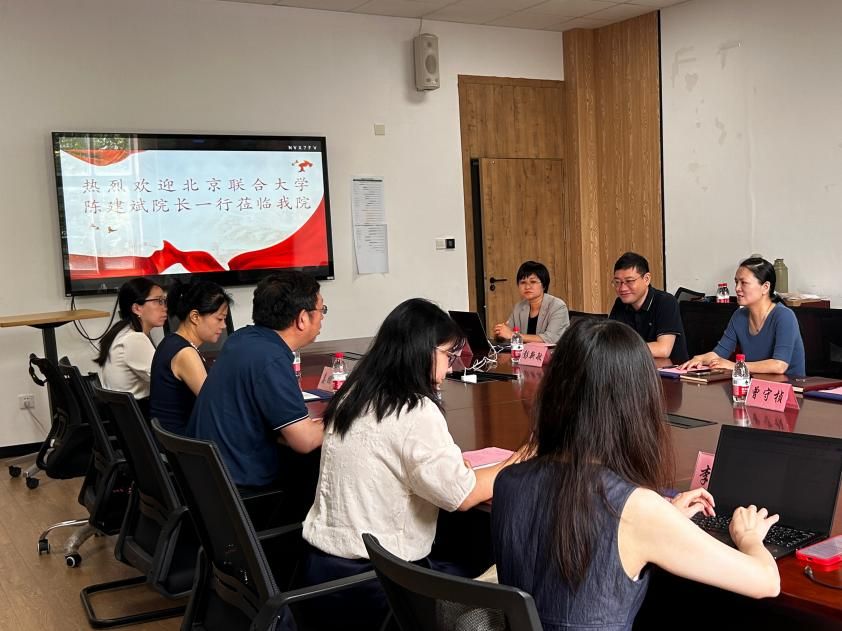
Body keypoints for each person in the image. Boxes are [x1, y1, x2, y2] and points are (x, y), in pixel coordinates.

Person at [492, 319, 780, 631]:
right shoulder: (635, 508)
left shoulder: (508, 482)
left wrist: (665, 518)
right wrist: (749, 537)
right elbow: (765, 582)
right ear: (636, 403)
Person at [301, 299, 522, 630]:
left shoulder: (354, 394)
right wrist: (519, 460)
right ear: (423, 352)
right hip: (382, 587)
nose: (450, 368)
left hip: (324, 576)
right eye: (448, 355)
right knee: (495, 552)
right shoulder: (414, 409)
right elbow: (462, 495)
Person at [186, 271, 325, 498]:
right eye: (321, 310)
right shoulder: (271, 358)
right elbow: (305, 440)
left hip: (207, 481)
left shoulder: (241, 339)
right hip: (239, 493)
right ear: (302, 319)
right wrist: (339, 421)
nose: (322, 318)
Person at [681, 257, 805, 377]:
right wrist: (700, 359)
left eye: (744, 283)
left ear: (765, 287)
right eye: (736, 282)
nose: (737, 288)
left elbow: (779, 366)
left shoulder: (784, 316)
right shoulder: (739, 315)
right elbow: (719, 354)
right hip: (755, 384)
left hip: (789, 387)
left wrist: (735, 366)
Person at [149, 278, 232, 434]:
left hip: (172, 439)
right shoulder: (185, 353)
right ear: (195, 317)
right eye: (219, 319)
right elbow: (216, 405)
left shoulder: (171, 341)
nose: (223, 325)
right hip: (184, 443)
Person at [96, 278, 168, 416]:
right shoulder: (134, 339)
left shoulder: (122, 331)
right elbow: (164, 380)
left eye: (164, 301)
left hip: (126, 417)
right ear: (136, 308)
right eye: (158, 301)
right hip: (141, 416)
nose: (164, 307)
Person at [608, 251, 689, 363]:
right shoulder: (620, 303)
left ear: (646, 279)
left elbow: (663, 349)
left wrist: (622, 348)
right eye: (617, 282)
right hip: (635, 367)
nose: (622, 288)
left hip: (669, 370)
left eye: (629, 281)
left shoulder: (666, 301)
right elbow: (610, 343)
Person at [493, 260, 570, 344]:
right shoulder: (519, 306)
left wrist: (513, 335)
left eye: (533, 282)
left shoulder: (558, 306)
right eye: (523, 282)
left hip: (553, 352)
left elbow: (550, 339)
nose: (527, 287)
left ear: (544, 285)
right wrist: (500, 333)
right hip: (525, 352)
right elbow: (508, 332)